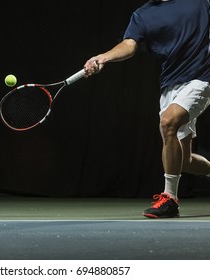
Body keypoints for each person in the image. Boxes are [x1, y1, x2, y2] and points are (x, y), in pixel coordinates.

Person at [84, 0, 210, 218]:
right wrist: (103, 56)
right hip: (170, 84)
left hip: (201, 77)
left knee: (168, 122)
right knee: (185, 161)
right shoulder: (142, 15)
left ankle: (170, 199)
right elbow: (129, 45)